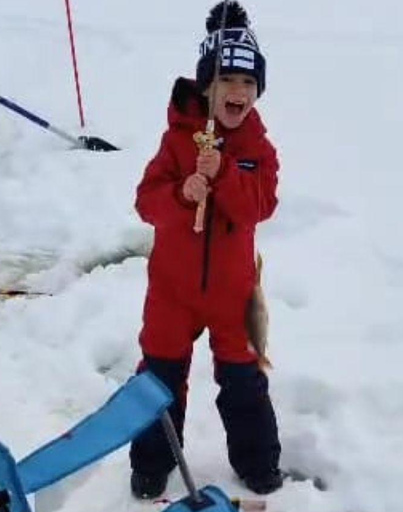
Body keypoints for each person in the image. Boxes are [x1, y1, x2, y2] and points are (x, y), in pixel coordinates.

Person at [129, 1, 283, 500]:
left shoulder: (257, 150)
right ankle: (152, 463)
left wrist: (223, 179)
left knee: (244, 382)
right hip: (172, 289)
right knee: (159, 380)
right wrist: (181, 195)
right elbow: (146, 201)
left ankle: (258, 463)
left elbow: (260, 207)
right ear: (206, 87)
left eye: (248, 84)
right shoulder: (178, 142)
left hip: (233, 292)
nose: (238, 93)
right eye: (227, 82)